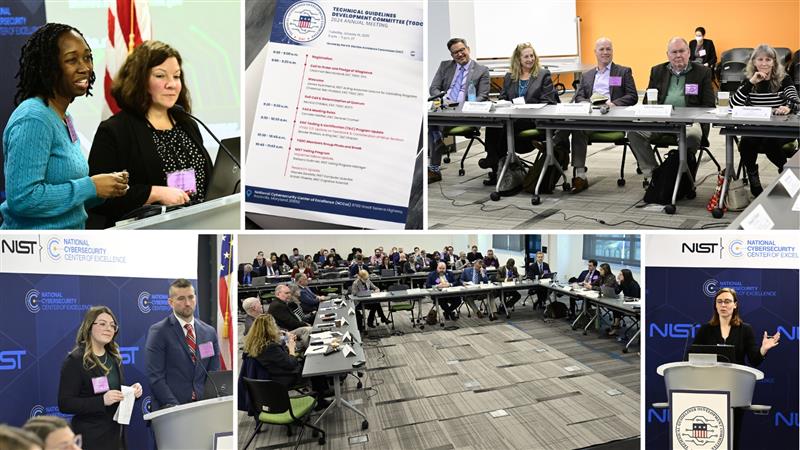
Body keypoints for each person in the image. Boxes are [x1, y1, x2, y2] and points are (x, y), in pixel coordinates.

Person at [1, 23, 128, 230]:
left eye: (87, 57)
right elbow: (23, 199)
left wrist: (103, 189)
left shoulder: (64, 116)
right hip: (35, 253)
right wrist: (91, 186)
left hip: (67, 248)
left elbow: (65, 198)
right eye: (71, 60)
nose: (84, 67)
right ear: (48, 67)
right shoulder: (34, 118)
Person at [87, 40, 211, 228]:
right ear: (140, 80)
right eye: (161, 76)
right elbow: (99, 198)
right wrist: (154, 193)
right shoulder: (114, 131)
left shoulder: (188, 124)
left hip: (202, 223)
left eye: (176, 76)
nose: (172, 84)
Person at [690, 288, 781, 449]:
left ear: (735, 305)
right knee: (710, 435)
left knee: (732, 435)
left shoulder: (745, 329)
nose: (723, 305)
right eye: (719, 302)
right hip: (709, 388)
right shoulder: (705, 330)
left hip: (736, 390)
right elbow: (693, 357)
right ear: (715, 306)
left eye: (727, 301)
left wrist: (763, 349)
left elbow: (754, 360)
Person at [553, 37, 638, 193]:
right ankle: (580, 176)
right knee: (577, 126)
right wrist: (586, 103)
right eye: (602, 49)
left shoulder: (623, 71)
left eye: (608, 49)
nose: (605, 52)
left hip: (612, 117)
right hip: (591, 116)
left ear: (612, 51)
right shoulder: (587, 75)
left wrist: (613, 104)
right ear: (595, 53)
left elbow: (632, 96)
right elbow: (579, 96)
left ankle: (552, 144)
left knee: (574, 123)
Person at [628, 37, 714, 186]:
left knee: (692, 137)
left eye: (681, 51)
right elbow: (647, 101)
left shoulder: (702, 72)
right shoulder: (657, 71)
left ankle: (680, 177)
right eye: (674, 52)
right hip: (660, 120)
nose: (678, 55)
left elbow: (709, 105)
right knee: (634, 133)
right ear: (668, 54)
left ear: (688, 53)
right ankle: (653, 175)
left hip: (689, 122)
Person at [58, 306, 143, 449]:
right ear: (89, 327)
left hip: (116, 437)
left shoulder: (114, 357)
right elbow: (65, 403)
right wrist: (102, 401)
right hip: (90, 438)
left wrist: (132, 392)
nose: (109, 328)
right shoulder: (75, 360)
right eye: (102, 324)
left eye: (112, 325)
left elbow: (115, 392)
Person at [481, 42, 558, 186]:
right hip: (513, 116)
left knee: (505, 126)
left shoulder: (542, 75)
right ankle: (495, 161)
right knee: (493, 124)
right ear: (518, 59)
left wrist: (525, 107)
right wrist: (506, 104)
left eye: (532, 56)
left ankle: (499, 167)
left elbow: (548, 100)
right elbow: (503, 97)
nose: (530, 59)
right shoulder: (510, 76)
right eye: (526, 57)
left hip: (533, 119)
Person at [730, 44, 800, 196]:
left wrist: (788, 107)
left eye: (768, 59)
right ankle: (753, 178)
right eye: (760, 59)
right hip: (757, 128)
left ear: (774, 62)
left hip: (781, 129)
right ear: (753, 62)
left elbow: (795, 100)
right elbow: (733, 105)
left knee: (769, 142)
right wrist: (751, 83)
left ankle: (785, 171)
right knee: (747, 142)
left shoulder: (784, 78)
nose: (764, 63)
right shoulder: (749, 80)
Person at [145, 279, 220, 410]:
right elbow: (156, 377)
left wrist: (209, 403)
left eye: (191, 297)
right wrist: (176, 408)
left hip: (204, 407)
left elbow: (213, 372)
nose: (187, 303)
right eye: (181, 299)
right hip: (171, 408)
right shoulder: (159, 332)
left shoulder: (209, 332)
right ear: (170, 302)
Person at [428, 38, 491, 183]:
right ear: (452, 55)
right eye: (455, 52)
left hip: (466, 113)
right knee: (429, 120)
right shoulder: (445, 66)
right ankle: (434, 164)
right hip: (444, 108)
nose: (460, 54)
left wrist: (465, 106)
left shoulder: (481, 70)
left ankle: (434, 166)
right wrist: (442, 100)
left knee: (433, 126)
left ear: (468, 49)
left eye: (462, 50)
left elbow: (483, 96)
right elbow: (434, 88)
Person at [242, 314, 329, 409]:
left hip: (273, 374)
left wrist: (286, 341)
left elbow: (278, 358)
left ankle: (322, 391)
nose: (277, 328)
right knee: (313, 366)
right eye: (274, 325)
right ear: (270, 328)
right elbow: (291, 364)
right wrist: (291, 348)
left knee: (308, 361)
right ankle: (320, 399)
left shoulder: (255, 344)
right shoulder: (271, 347)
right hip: (284, 377)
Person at [266, 284, 312, 348]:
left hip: (287, 330)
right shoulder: (277, 305)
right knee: (307, 330)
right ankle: (309, 349)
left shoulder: (280, 303)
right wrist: (305, 324)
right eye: (286, 293)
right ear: (278, 294)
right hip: (284, 332)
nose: (289, 295)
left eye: (289, 293)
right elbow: (291, 322)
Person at [606, 269, 640, 336]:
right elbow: (617, 292)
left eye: (620, 274)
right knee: (615, 307)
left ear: (626, 275)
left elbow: (635, 298)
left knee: (617, 308)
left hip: (633, 306)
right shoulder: (623, 282)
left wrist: (625, 300)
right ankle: (616, 324)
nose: (619, 275)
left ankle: (616, 326)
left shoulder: (634, 284)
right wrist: (617, 284)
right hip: (626, 303)